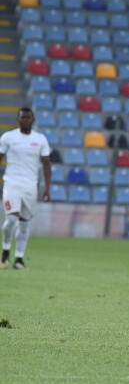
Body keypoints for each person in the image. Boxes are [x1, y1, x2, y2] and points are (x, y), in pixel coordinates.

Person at [1, 107, 51, 270]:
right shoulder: (8, 137)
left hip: (31, 185)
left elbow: (46, 164)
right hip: (12, 183)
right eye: (23, 117)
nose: (26, 120)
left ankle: (19, 259)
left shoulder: (40, 139)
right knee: (11, 219)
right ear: (18, 119)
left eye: (28, 117)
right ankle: (6, 251)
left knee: (24, 223)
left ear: (33, 119)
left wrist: (47, 188)